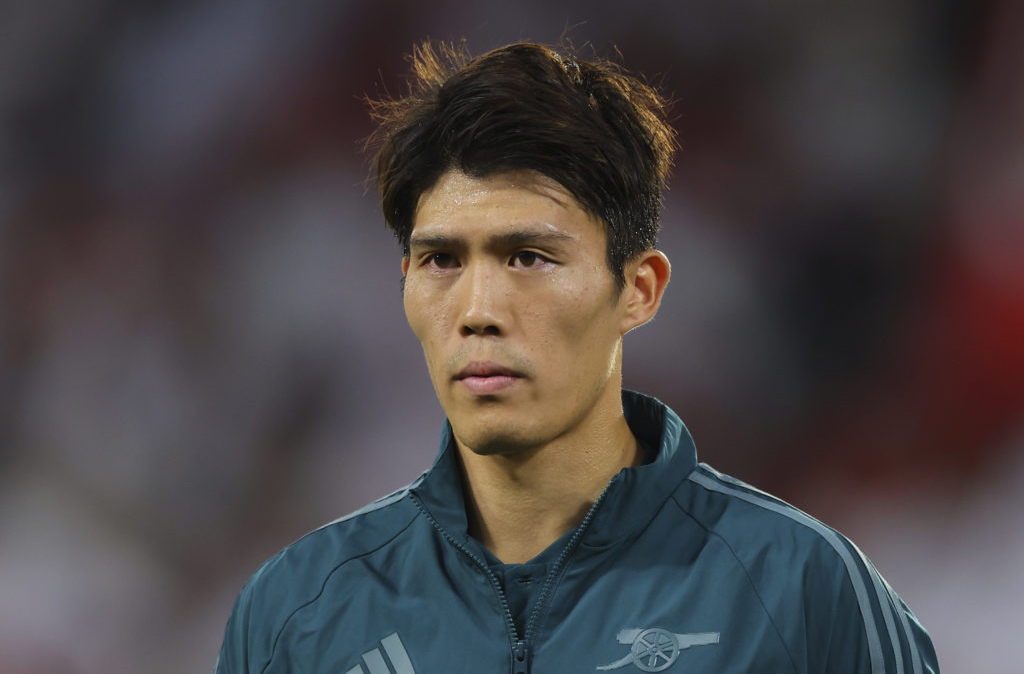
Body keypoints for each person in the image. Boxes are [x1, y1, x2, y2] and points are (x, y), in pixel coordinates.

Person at [215, 40, 939, 674]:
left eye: (528, 257)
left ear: (639, 289)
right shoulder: (297, 613)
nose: (478, 311)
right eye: (441, 260)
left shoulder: (801, 591)